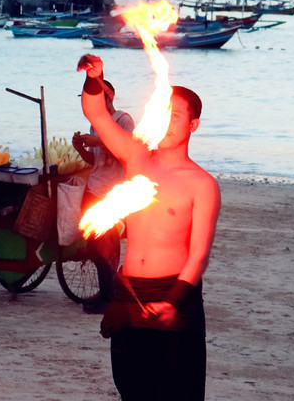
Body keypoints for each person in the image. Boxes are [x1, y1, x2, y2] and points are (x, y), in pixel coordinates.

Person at [76, 54, 221, 401]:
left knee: (177, 394)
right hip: (129, 295)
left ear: (193, 125)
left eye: (177, 116)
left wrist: (173, 302)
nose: (167, 121)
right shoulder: (136, 157)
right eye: (164, 113)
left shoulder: (202, 184)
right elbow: (96, 113)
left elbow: (198, 256)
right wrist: (95, 79)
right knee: (133, 391)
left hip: (176, 298)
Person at [72, 80, 135, 313]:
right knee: (96, 247)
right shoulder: (94, 125)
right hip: (93, 190)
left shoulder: (123, 120)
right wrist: (80, 148)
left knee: (105, 248)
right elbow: (93, 161)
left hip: (112, 194)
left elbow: (128, 153)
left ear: (108, 98)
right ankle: (106, 293)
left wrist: (99, 141)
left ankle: (108, 299)